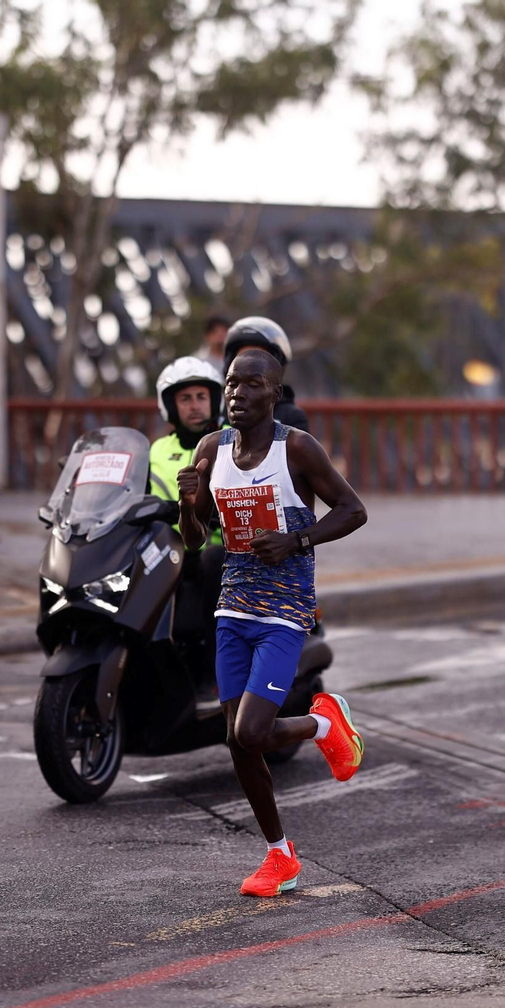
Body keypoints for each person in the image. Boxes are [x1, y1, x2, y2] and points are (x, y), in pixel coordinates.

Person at [175, 319, 367, 898]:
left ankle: (326, 722)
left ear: (275, 394)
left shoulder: (296, 448)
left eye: (251, 384)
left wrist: (296, 539)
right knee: (237, 742)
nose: (236, 393)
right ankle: (279, 856)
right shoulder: (211, 449)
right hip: (232, 606)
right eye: (231, 383)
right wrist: (187, 504)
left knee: (253, 730)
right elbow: (194, 539)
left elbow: (353, 510)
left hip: (285, 608)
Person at [149, 356, 225, 639]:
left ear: (213, 400)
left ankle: (215, 657)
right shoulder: (156, 449)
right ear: (171, 406)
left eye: (201, 397)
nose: (194, 405)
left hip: (218, 548)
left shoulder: (232, 440)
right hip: (167, 549)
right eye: (185, 399)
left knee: (212, 560)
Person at [222, 316, 311, 431]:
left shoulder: (291, 417)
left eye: (258, 358)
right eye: (242, 358)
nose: (249, 366)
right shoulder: (219, 412)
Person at [191, 313, 232, 377]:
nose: (220, 335)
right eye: (215, 332)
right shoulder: (198, 361)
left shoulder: (235, 359)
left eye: (223, 331)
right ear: (206, 336)